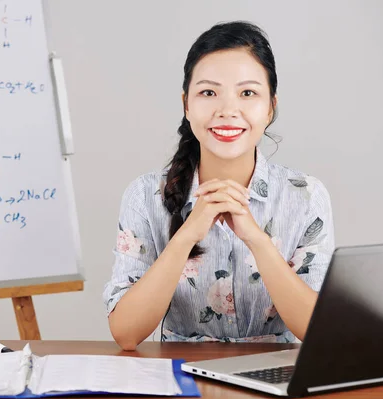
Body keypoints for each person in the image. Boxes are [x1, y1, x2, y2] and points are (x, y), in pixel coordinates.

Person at [103, 21, 335, 351]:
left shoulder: (305, 195)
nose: (227, 110)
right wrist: (187, 235)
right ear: (186, 104)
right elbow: (126, 333)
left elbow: (318, 332)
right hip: (179, 376)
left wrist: (256, 238)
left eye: (248, 93)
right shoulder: (144, 196)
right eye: (208, 93)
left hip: (273, 378)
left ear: (270, 107)